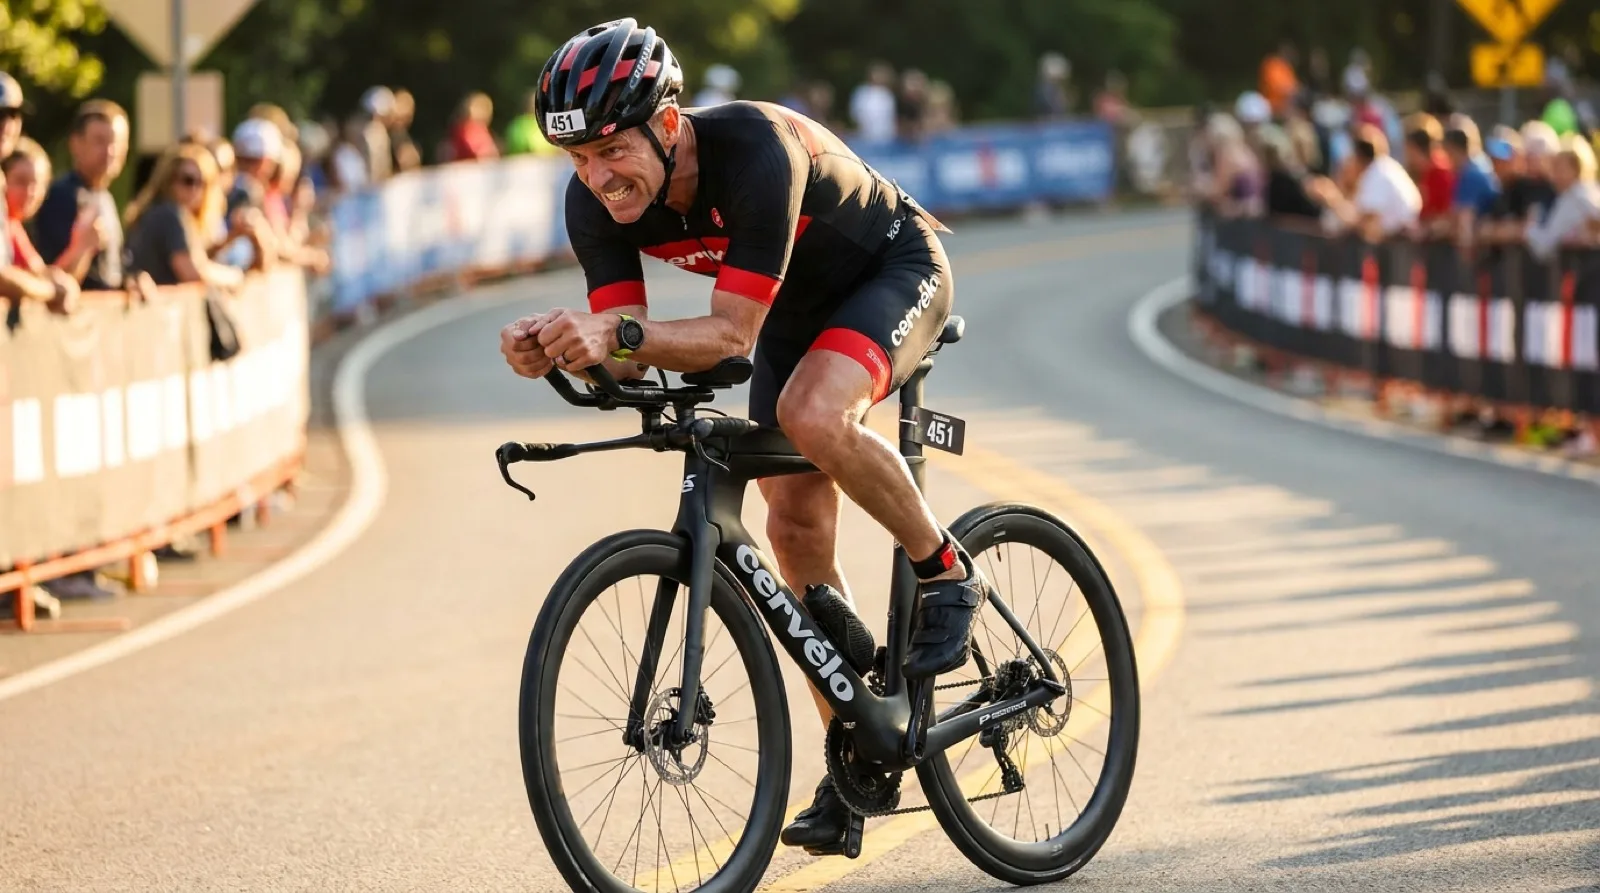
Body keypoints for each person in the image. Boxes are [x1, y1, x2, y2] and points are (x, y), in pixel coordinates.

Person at [498, 18, 993, 852]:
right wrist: (558, 350)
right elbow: (625, 340)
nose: (596, 178)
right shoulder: (597, 200)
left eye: (611, 150)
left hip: (892, 269)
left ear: (664, 125)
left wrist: (610, 338)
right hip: (793, 312)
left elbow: (729, 336)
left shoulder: (754, 151)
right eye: (577, 160)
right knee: (792, 527)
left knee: (811, 414)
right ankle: (857, 760)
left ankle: (944, 570)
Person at [33, 99, 129, 291]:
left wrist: (131, 281)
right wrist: (83, 248)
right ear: (76, 144)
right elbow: (50, 274)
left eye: (116, 142)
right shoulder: (61, 197)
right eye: (100, 141)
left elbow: (112, 271)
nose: (110, 151)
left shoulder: (104, 197)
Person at [124, 143, 244, 289]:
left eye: (203, 182)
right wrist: (234, 277)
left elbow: (198, 260)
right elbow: (191, 272)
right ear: (168, 179)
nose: (195, 189)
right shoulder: (169, 214)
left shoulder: (160, 212)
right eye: (188, 180)